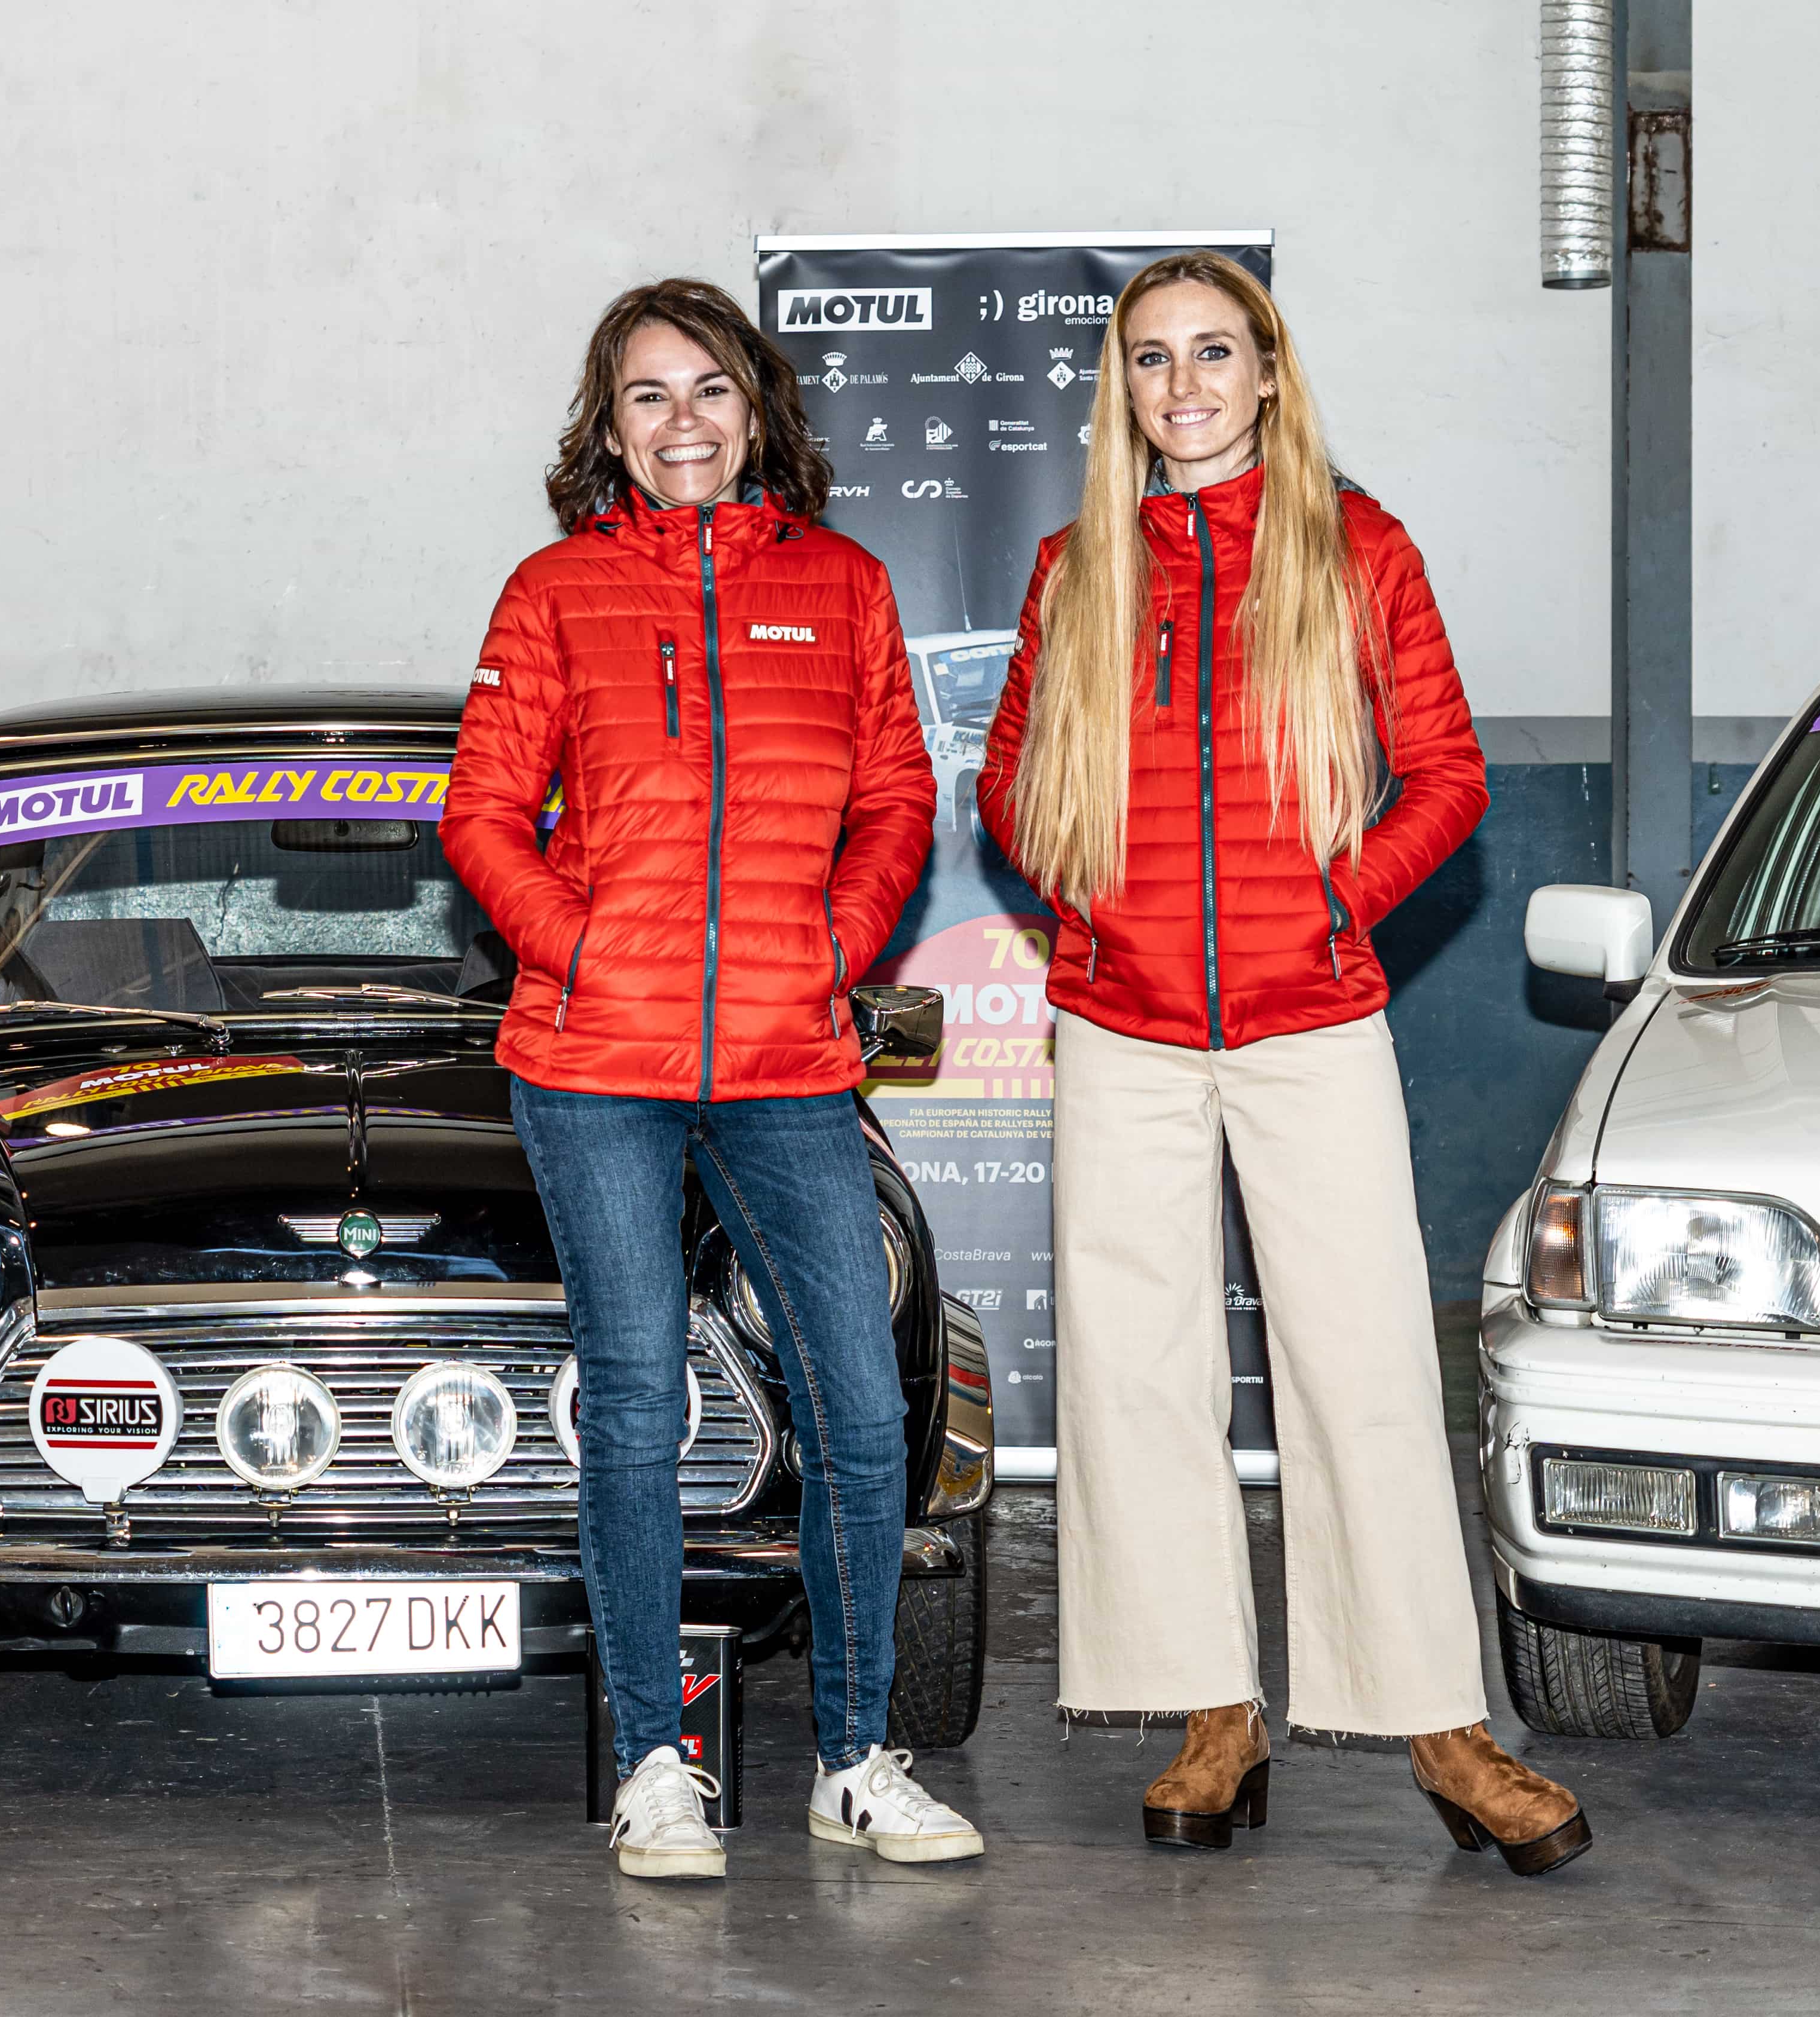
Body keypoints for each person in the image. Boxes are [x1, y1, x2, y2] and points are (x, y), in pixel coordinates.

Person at [976, 252, 1589, 1875]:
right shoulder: (1074, 567)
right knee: (1137, 1369)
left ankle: (1443, 1731)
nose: (1183, 385)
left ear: (1267, 373)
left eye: (1214, 354)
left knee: (1371, 1364)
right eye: (1153, 360)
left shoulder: (1357, 548)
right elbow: (1006, 784)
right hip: (1124, 1030)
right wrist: (1089, 903)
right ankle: (1208, 1714)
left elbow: (1447, 777)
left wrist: (1334, 904)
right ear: (1126, 391)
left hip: (1315, 1022)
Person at [445, 278, 980, 1881]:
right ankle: (655, 1767)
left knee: (867, 1411)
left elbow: (897, 798)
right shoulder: (554, 593)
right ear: (607, 432)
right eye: (647, 398)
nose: (683, 422)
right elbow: (480, 814)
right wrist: (579, 944)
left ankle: (856, 1756)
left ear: (758, 409)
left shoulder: (844, 586)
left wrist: (835, 943)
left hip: (787, 1055)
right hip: (594, 1061)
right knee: (630, 1406)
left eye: (709, 391)